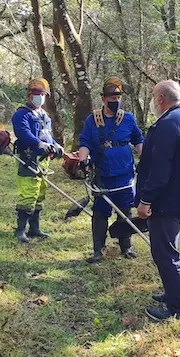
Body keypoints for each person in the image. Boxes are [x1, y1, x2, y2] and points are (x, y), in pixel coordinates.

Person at [136, 80, 180, 321]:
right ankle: (172, 293)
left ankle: (177, 309)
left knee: (166, 253)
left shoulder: (168, 125)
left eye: (154, 96)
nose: (153, 101)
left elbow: (160, 169)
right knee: (165, 250)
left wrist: (145, 200)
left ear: (161, 98)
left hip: (167, 201)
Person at [77, 77, 144, 263]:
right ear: (103, 98)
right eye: (112, 97)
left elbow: (138, 140)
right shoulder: (93, 120)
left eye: (118, 97)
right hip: (103, 175)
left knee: (125, 211)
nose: (115, 101)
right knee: (100, 212)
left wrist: (145, 159)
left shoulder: (128, 119)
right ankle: (98, 250)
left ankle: (126, 246)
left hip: (125, 176)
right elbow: (85, 142)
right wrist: (83, 160)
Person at [11, 78, 63, 243]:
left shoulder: (44, 115)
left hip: (43, 160)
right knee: (28, 194)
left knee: (40, 193)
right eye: (35, 93)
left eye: (41, 94)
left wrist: (56, 146)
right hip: (28, 159)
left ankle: (35, 228)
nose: (39, 96)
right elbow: (24, 134)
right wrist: (39, 144)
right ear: (29, 94)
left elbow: (48, 135)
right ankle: (20, 230)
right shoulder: (21, 114)